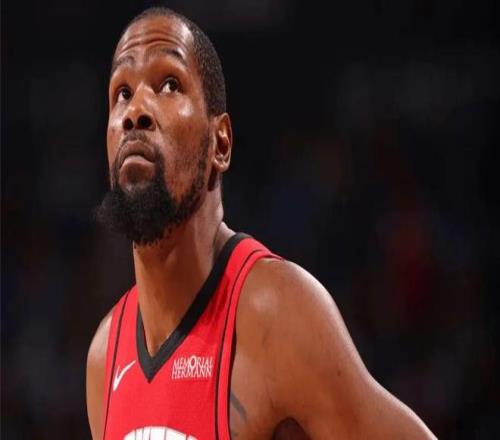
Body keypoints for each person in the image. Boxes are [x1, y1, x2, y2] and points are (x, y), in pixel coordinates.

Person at [86, 6, 436, 440]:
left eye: (169, 84)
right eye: (121, 92)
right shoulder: (104, 357)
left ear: (220, 143)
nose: (135, 109)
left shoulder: (276, 314)